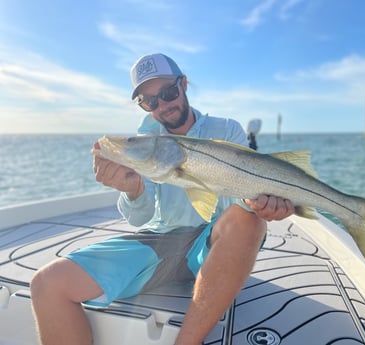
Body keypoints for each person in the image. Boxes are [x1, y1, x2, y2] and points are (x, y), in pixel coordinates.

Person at [30, 53, 294, 345]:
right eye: (150, 101)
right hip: (161, 243)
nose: (162, 105)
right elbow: (139, 218)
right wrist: (132, 190)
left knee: (248, 220)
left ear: (183, 84)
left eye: (168, 93)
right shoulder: (143, 141)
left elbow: (240, 201)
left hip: (215, 243)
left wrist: (257, 205)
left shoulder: (226, 129)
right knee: (47, 283)